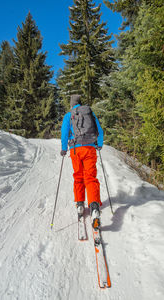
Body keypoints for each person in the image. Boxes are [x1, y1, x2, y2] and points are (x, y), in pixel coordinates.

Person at [60, 94, 104, 228]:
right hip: (90, 148)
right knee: (90, 177)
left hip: (75, 150)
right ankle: (94, 207)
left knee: (78, 176)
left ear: (71, 104)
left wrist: (63, 148)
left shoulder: (69, 115)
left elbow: (64, 132)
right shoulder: (89, 112)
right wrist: (99, 144)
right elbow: (99, 130)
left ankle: (80, 204)